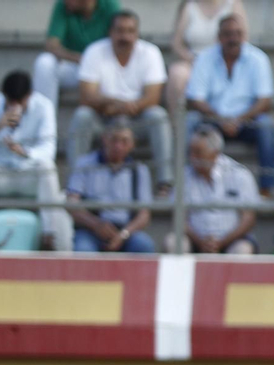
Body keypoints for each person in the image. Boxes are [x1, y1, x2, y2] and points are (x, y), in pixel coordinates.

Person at [69, 10, 171, 183]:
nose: (125, 36)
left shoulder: (150, 52)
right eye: (120, 31)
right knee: (82, 115)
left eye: (130, 31)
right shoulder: (94, 51)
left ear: (137, 33)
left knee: (158, 116)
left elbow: (153, 97)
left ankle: (165, 182)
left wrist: (121, 106)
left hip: (137, 120)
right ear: (110, 32)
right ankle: (75, 182)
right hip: (103, 119)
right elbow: (87, 96)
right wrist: (115, 102)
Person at [185, 13, 274, 192]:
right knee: (189, 121)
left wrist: (239, 120)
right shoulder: (204, 58)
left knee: (266, 125)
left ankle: (267, 188)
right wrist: (220, 119)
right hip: (213, 121)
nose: (233, 39)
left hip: (247, 121)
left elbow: (265, 101)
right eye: (228, 34)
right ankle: (186, 184)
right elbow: (195, 99)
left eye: (237, 33)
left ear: (244, 36)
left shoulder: (258, 58)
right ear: (219, 37)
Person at [0, 71, 73, 252]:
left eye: (20, 101)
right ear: (3, 95)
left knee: (47, 168)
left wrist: (25, 152)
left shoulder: (44, 107)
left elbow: (49, 149)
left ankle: (49, 235)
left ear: (29, 95)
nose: (15, 105)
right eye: (10, 100)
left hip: (28, 174)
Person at [164, 125, 258, 254]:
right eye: (191, 152)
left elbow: (248, 218)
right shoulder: (184, 176)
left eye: (198, 152)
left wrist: (222, 242)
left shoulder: (239, 173)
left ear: (215, 154)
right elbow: (179, 217)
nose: (192, 157)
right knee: (173, 242)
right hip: (194, 240)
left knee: (243, 249)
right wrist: (200, 241)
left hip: (232, 241)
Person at [66, 117, 154, 252]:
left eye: (124, 141)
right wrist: (96, 225)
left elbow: (144, 214)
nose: (118, 146)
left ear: (132, 144)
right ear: (104, 139)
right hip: (90, 230)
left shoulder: (140, 170)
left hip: (126, 231)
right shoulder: (84, 164)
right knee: (83, 249)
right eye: (114, 140)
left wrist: (123, 234)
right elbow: (72, 203)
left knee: (144, 245)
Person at [34, 0, 121, 107]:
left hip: (102, 68)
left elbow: (120, 40)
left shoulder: (110, 5)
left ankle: (111, 112)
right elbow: (51, 45)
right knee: (45, 62)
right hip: (74, 65)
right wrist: (82, 59)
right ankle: (45, 115)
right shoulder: (63, 5)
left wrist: (94, 62)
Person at [166, 0, 245, 115]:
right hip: (193, 61)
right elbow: (176, 44)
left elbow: (242, 40)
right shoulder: (189, 6)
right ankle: (176, 122)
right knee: (177, 74)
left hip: (224, 61)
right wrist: (195, 60)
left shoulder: (233, 4)